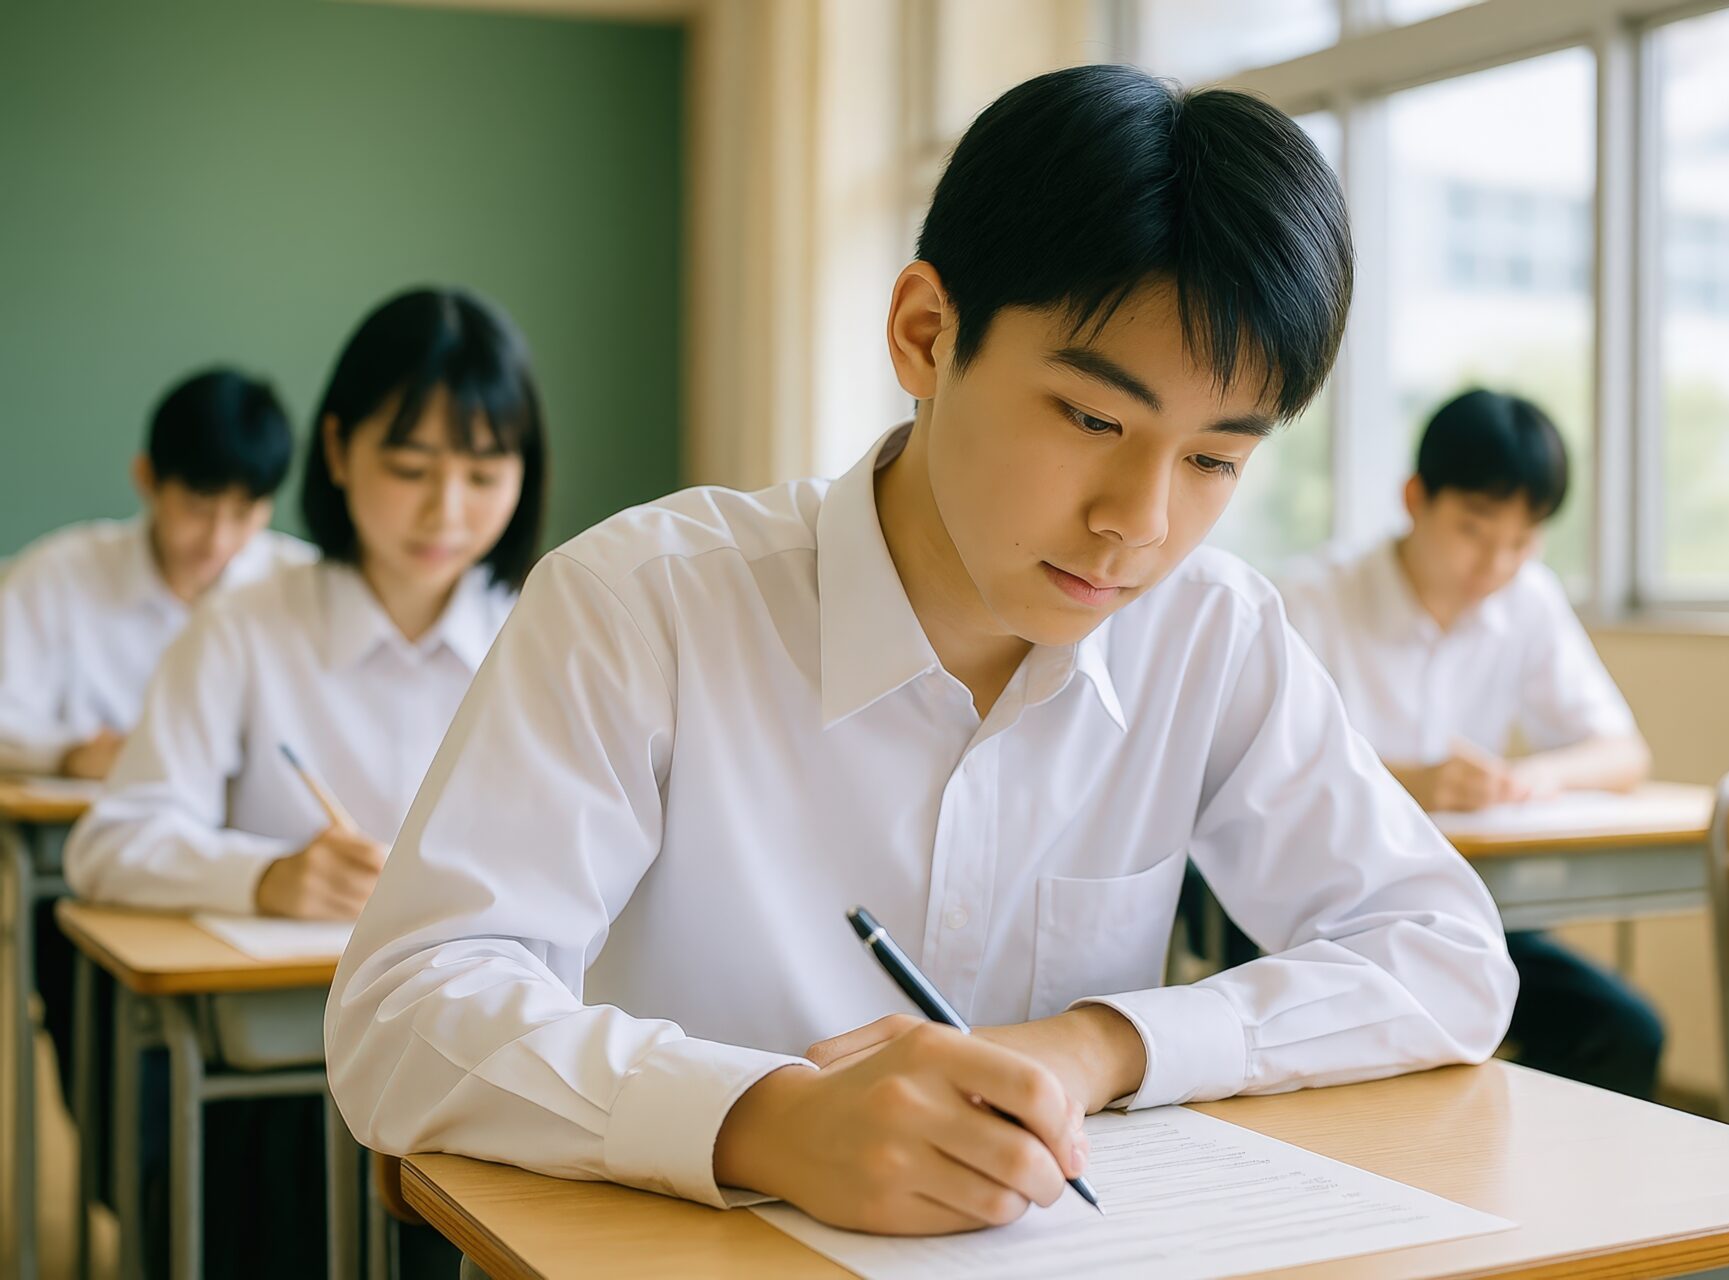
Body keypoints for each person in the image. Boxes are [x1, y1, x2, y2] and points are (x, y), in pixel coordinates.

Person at [327, 65, 1517, 1237]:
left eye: (1214, 459)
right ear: (924, 334)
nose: (1140, 521)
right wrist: (767, 1117)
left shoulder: (1208, 630)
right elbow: (403, 1010)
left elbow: (1447, 956)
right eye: (1093, 419)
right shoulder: (643, 604)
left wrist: (1098, 1042)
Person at [66, 285, 546, 1278]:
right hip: (289, 1074)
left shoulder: (551, 630)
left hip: (494, 1065)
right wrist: (267, 876)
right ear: (336, 452)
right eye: (409, 467)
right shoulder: (245, 625)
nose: (445, 511)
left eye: (484, 471)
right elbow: (110, 842)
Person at [1278, 387, 1663, 1099]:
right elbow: (1263, 779)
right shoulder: (1313, 599)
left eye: (1522, 541)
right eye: (1474, 530)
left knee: (1626, 1033)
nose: (1495, 564)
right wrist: (1407, 781)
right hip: (1311, 922)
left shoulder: (1529, 601)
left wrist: (1532, 778)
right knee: (1399, 1051)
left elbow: (1622, 751)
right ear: (1415, 497)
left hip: (1454, 914)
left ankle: (1533, 1194)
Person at [0, 368, 309, 779]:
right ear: (147, 478)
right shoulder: (58, 575)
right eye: (199, 506)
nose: (218, 540)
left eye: (243, 512)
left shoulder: (301, 587)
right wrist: (71, 756)